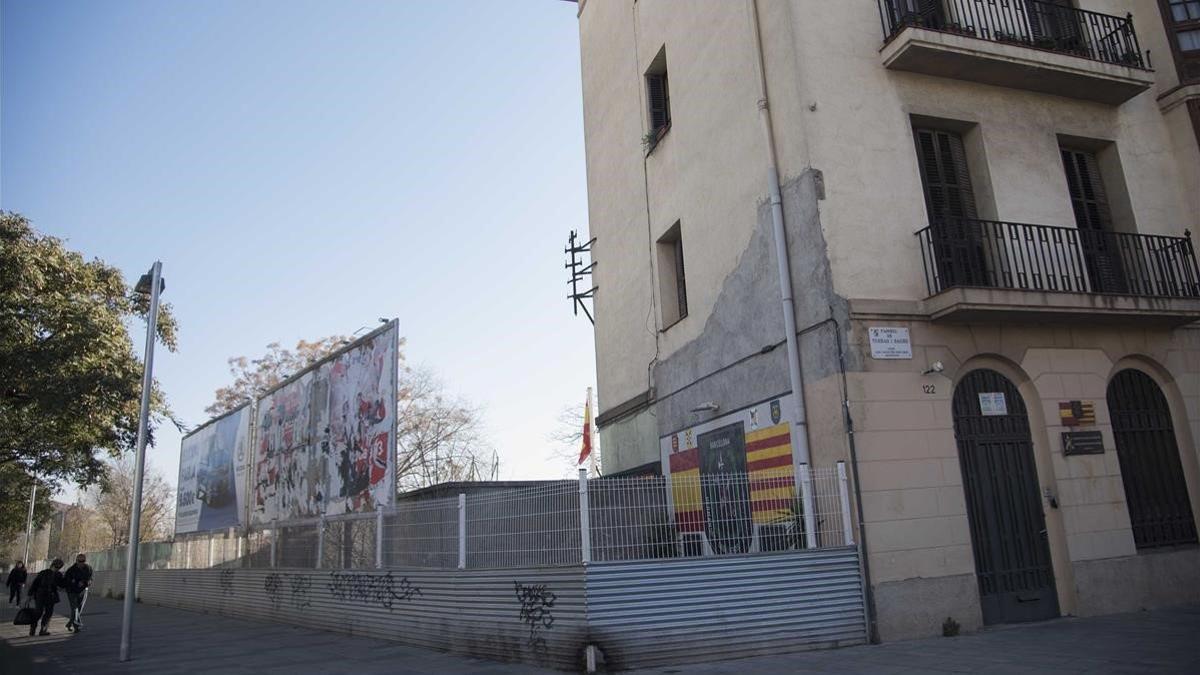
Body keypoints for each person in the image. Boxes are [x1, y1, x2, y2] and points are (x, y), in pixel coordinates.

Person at [27, 558, 65, 637]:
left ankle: (38, 629)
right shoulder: (49, 573)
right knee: (43, 612)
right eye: (57, 566)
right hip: (45, 595)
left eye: (59, 567)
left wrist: (30, 594)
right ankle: (38, 629)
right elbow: (35, 583)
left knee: (44, 612)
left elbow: (62, 585)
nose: (57, 568)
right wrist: (30, 595)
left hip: (45, 595)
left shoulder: (52, 574)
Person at [63, 554, 93, 632]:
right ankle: (77, 626)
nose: (81, 563)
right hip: (72, 592)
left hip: (83, 591)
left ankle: (70, 623)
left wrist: (85, 583)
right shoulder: (71, 570)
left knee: (79, 609)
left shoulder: (88, 568)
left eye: (83, 561)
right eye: (80, 561)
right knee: (75, 609)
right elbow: (66, 581)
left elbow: (90, 579)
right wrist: (75, 583)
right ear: (76, 561)